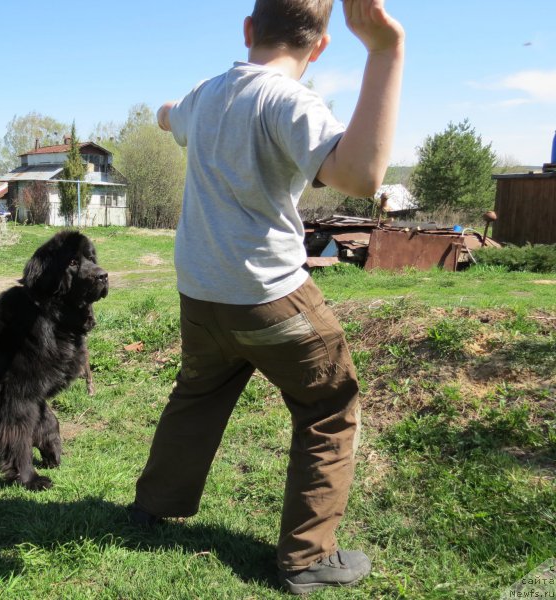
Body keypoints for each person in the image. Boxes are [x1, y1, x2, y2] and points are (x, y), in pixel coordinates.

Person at [130, 0, 404, 594]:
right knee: (330, 407)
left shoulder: (207, 93)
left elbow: (167, 113)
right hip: (268, 296)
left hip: (202, 296)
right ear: (321, 46)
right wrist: (385, 52)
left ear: (249, 30)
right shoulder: (290, 101)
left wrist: (165, 113)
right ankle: (307, 559)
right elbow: (361, 177)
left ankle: (151, 508)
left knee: (197, 394)